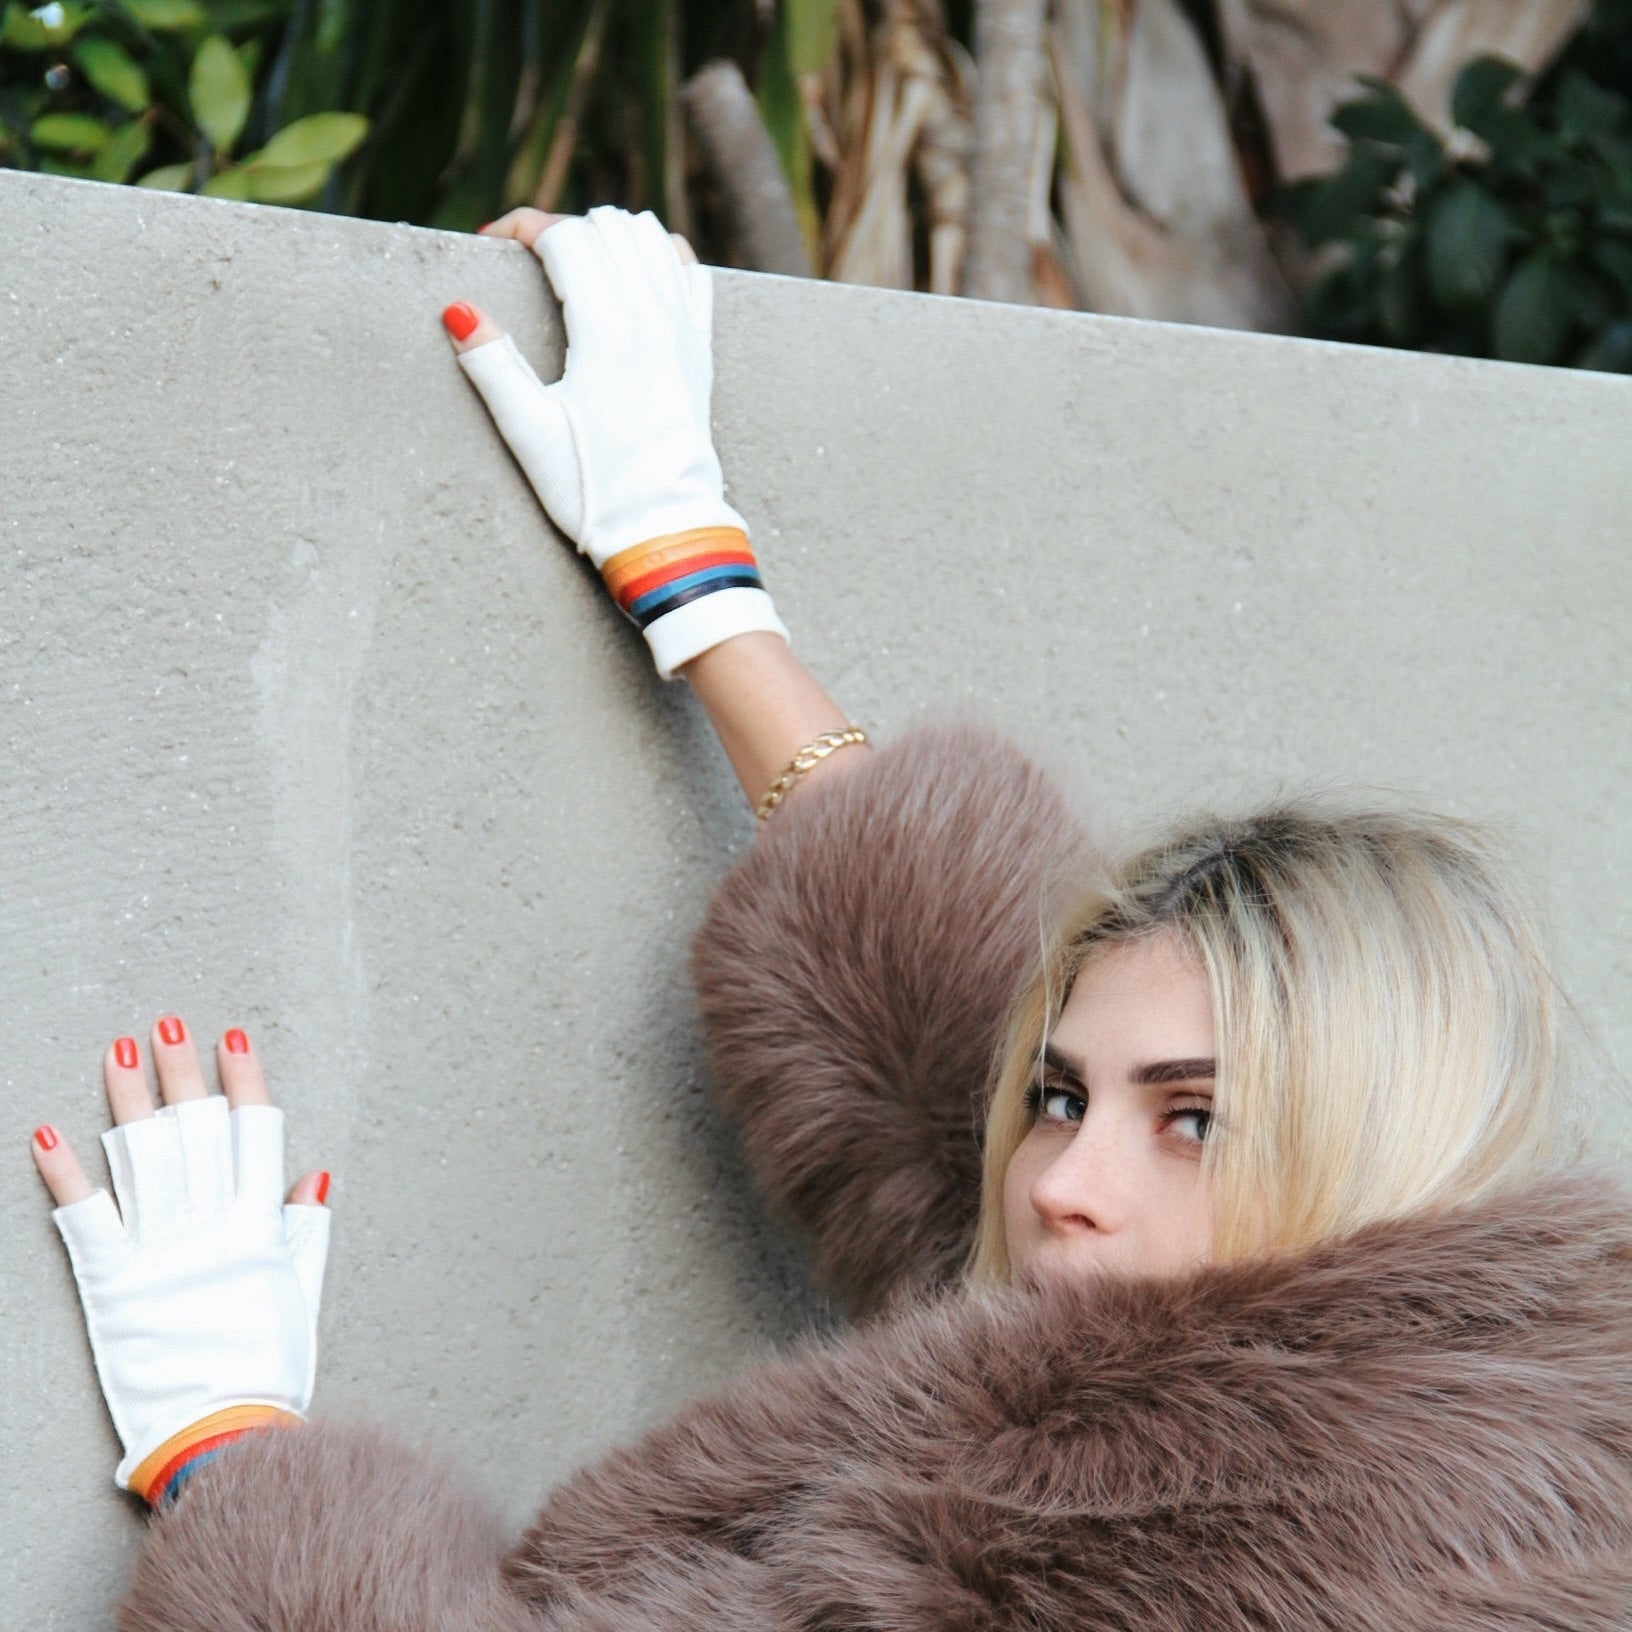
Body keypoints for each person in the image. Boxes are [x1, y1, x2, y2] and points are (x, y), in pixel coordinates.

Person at [31, 207, 1632, 1631]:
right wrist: (693, 571)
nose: (1063, 1185)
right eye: (1061, 1099)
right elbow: (961, 1061)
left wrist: (224, 1457)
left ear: (1380, 1151)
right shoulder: (1520, 1419)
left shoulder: (1068, 1566)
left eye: (1195, 1122)